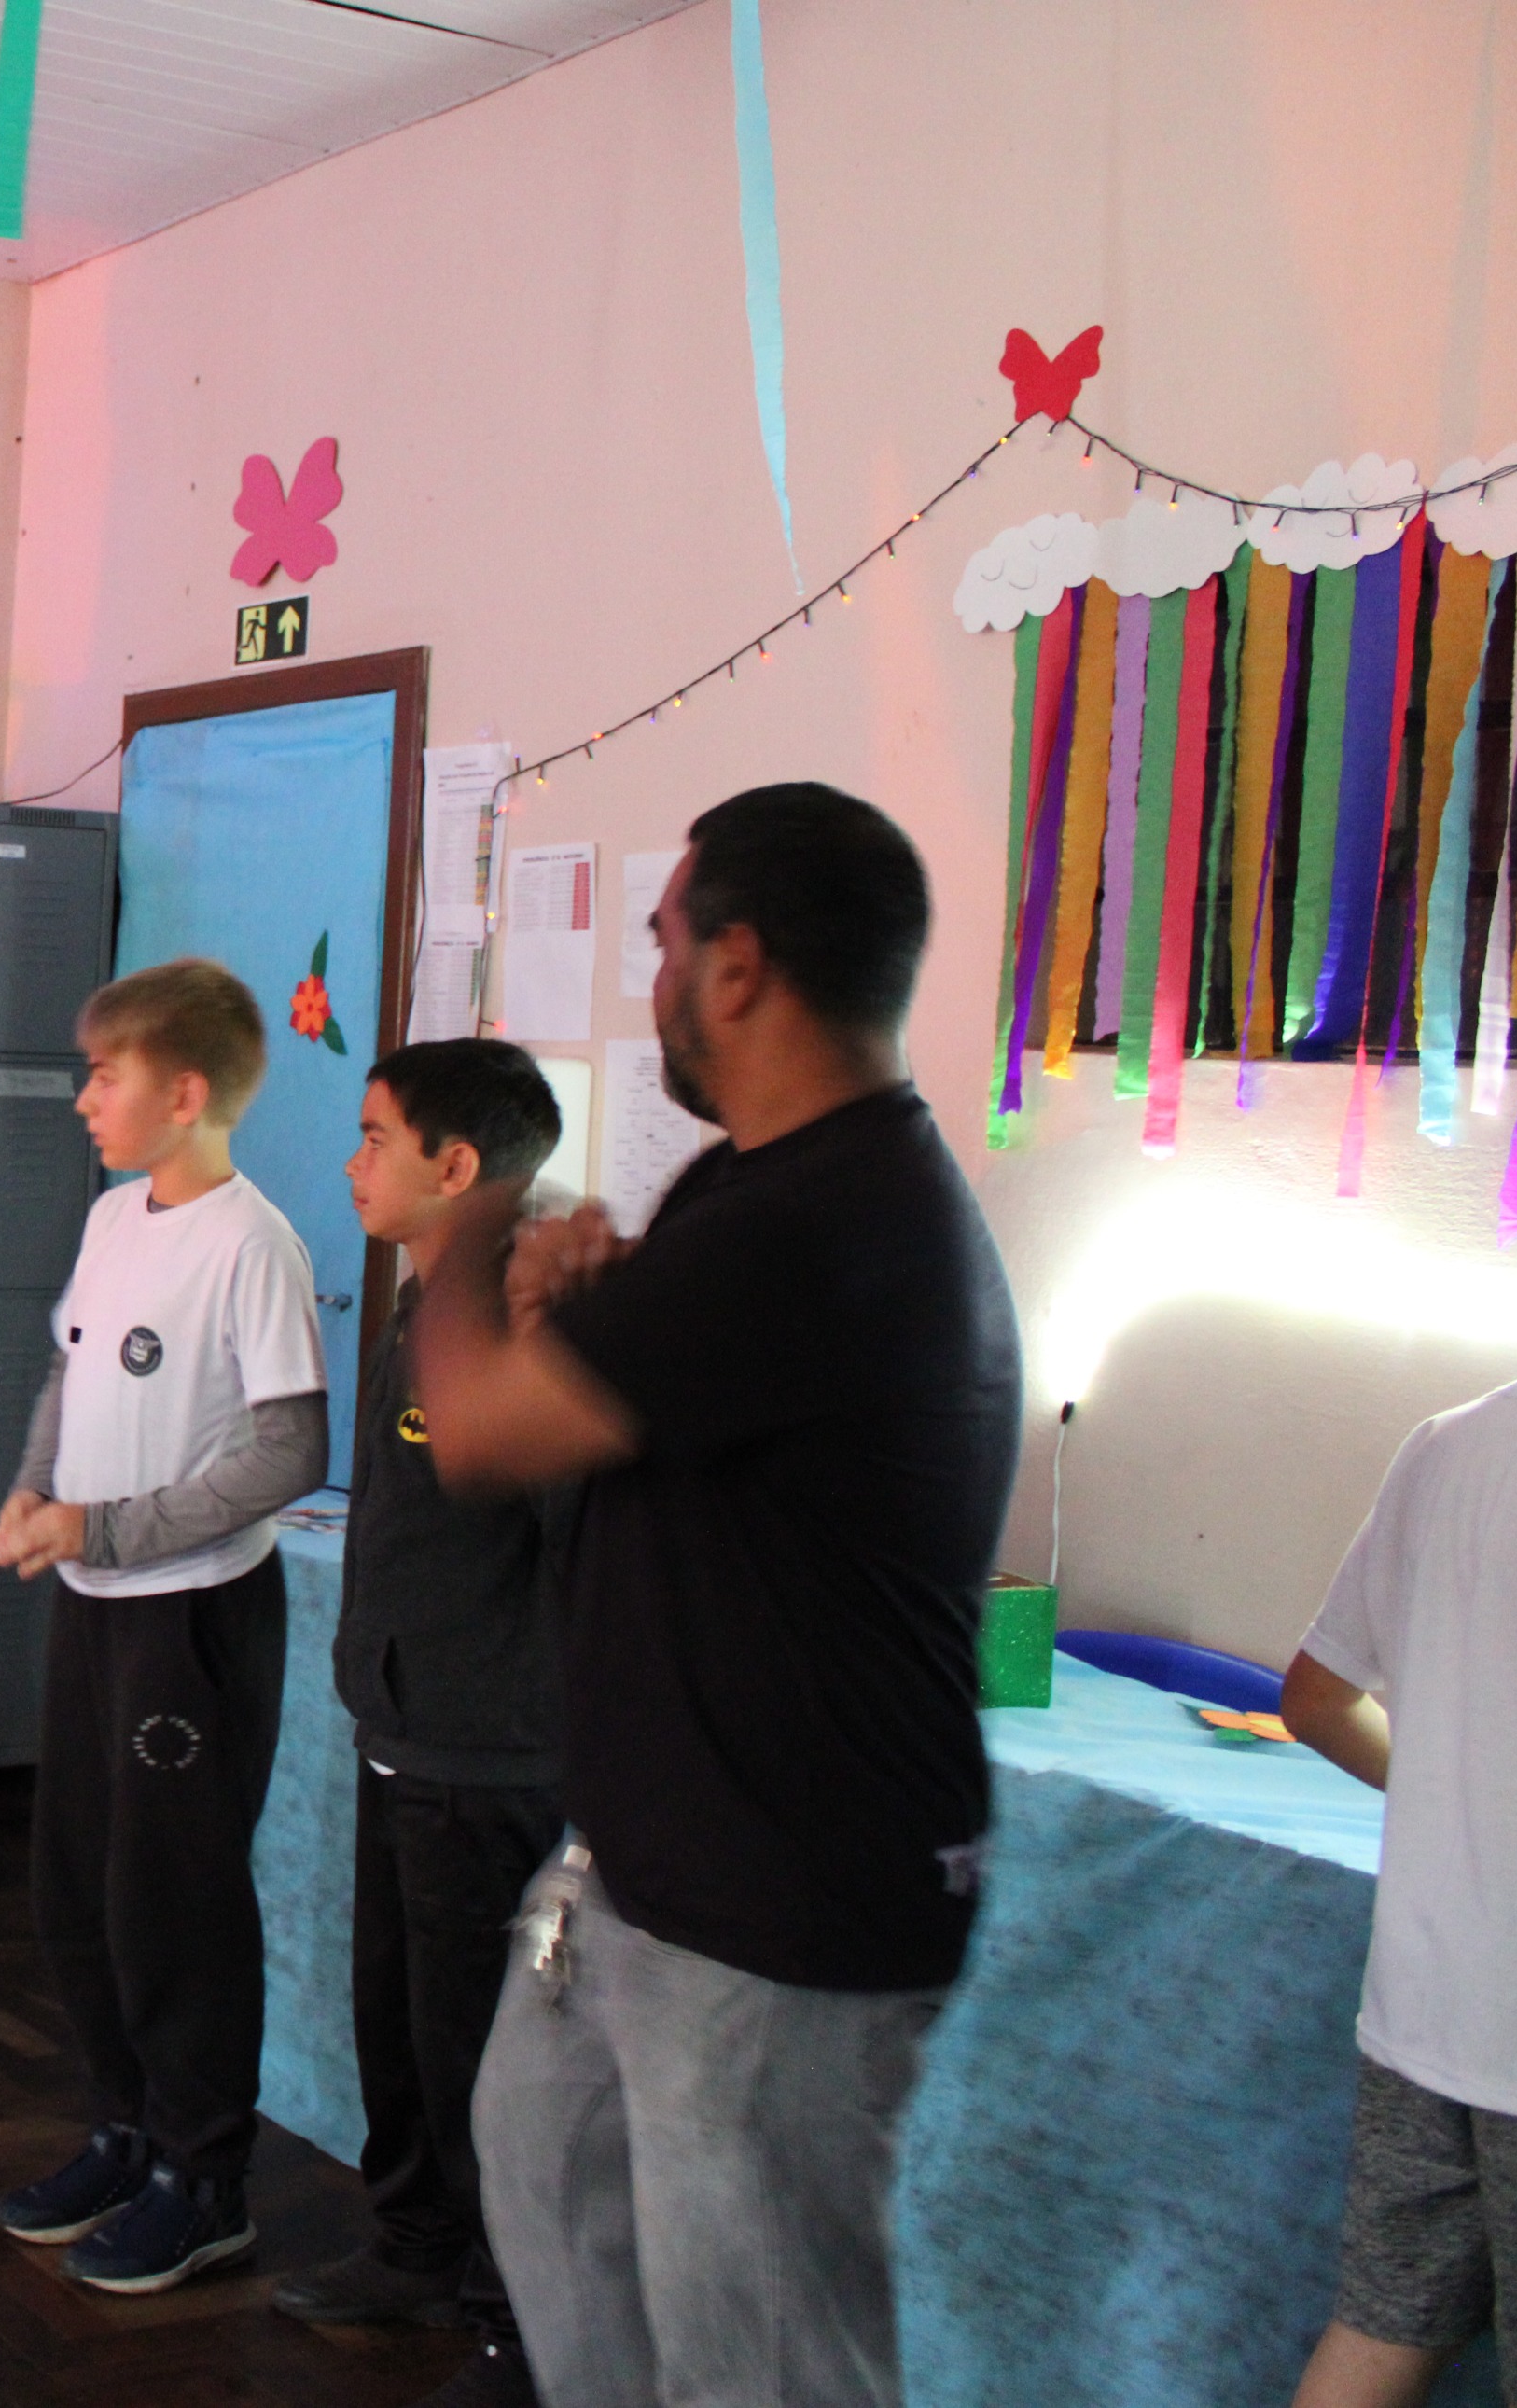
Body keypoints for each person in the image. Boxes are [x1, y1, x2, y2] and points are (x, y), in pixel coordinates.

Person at [411, 784, 1020, 2408]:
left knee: (763, 2366)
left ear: (738, 965)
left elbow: (478, 1433)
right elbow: (615, 1415)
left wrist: (470, 1225)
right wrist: (560, 1295)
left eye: (667, 939)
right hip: (653, 1866)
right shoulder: (750, 1194)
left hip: (778, 1908)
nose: (656, 972)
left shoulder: (821, 1221)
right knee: (551, 2199)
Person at [0, 958, 329, 2296]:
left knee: (171, 1903)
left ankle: (205, 2177)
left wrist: (110, 1528)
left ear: (183, 1095)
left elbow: (289, 1450)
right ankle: (124, 2131)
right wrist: (34, 1490)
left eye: (104, 1076)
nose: (83, 1099)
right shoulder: (112, 1217)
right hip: (94, 1610)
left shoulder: (254, 1244)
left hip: (192, 1619)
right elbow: (72, 1369)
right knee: (77, 1886)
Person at [272, 1040, 569, 2407]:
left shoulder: (522, 1318)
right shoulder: (426, 1302)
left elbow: (573, 1544)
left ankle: (514, 2314)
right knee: (395, 2019)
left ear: (454, 1167)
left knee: (480, 2054)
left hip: (485, 1753)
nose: (353, 1163)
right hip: (401, 1730)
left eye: (374, 1138)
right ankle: (413, 2243)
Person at [1279, 1381, 1517, 2408]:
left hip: (1425, 2008)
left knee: (1381, 2326)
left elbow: (1314, 1700)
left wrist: (1452, 1800)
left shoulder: (1455, 1442)